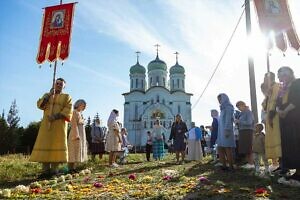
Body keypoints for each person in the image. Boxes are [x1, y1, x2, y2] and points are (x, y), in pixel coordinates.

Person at [30, 78, 72, 177]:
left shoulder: (67, 97)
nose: (58, 85)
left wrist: (55, 116)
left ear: (64, 86)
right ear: (54, 84)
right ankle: (45, 171)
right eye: (57, 83)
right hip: (46, 124)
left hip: (59, 125)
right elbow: (40, 105)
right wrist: (48, 95)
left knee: (56, 145)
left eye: (61, 84)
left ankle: (54, 170)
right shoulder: (47, 95)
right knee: (45, 144)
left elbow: (68, 110)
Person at [276, 66, 300, 181]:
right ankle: (295, 170)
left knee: (297, 143)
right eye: (279, 76)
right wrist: (278, 110)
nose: (281, 77)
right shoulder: (282, 89)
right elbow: (277, 102)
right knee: (290, 145)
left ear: (290, 73)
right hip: (285, 120)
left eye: (283, 74)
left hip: (296, 118)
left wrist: (285, 111)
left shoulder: (297, 83)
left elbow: (296, 99)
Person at [263, 72, 281, 172]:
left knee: (278, 139)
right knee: (272, 140)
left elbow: (277, 101)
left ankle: (282, 165)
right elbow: (265, 105)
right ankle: (277, 164)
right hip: (269, 117)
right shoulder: (269, 90)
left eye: (266, 79)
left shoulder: (277, 86)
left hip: (276, 116)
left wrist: (271, 115)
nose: (265, 81)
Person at [216, 93, 235, 171]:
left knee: (227, 148)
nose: (219, 101)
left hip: (227, 130)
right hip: (221, 131)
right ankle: (224, 165)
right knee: (220, 147)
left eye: (220, 99)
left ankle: (231, 166)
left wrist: (227, 130)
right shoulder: (222, 108)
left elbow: (228, 119)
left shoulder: (228, 107)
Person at [67, 99, 88, 172]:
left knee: (77, 150)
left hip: (80, 134)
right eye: (83, 105)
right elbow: (73, 123)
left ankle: (74, 168)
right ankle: (70, 168)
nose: (84, 107)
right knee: (73, 150)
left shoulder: (79, 113)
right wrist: (76, 134)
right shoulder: (74, 112)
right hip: (75, 133)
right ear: (79, 105)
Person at [235, 101, 255, 169]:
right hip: (242, 131)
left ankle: (251, 163)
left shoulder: (248, 112)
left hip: (247, 131)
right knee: (245, 148)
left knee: (248, 147)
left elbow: (249, 122)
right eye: (238, 108)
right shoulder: (242, 113)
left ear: (243, 105)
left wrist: (239, 121)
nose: (239, 109)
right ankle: (248, 163)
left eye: (239, 107)